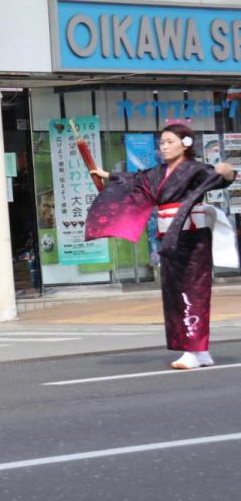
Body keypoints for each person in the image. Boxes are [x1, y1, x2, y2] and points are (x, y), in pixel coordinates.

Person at [87, 123, 236, 370]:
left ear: (185, 143)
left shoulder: (196, 169)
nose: (164, 147)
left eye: (170, 142)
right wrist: (107, 175)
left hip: (192, 237)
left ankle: (193, 348)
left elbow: (221, 179)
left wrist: (228, 172)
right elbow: (136, 179)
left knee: (192, 291)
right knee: (174, 292)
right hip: (169, 237)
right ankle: (199, 350)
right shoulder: (158, 173)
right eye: (162, 143)